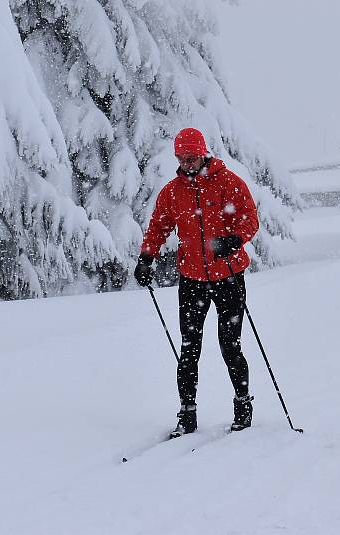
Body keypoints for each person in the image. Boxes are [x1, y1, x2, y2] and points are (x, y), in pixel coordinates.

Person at [134, 128, 260, 438]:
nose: (186, 163)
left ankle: (242, 405)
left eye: (191, 158)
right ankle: (187, 413)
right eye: (181, 158)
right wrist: (145, 258)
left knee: (230, 345)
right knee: (189, 349)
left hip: (228, 276)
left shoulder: (228, 182)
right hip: (191, 279)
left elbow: (249, 219)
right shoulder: (173, 192)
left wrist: (232, 240)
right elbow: (158, 227)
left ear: (202, 153)